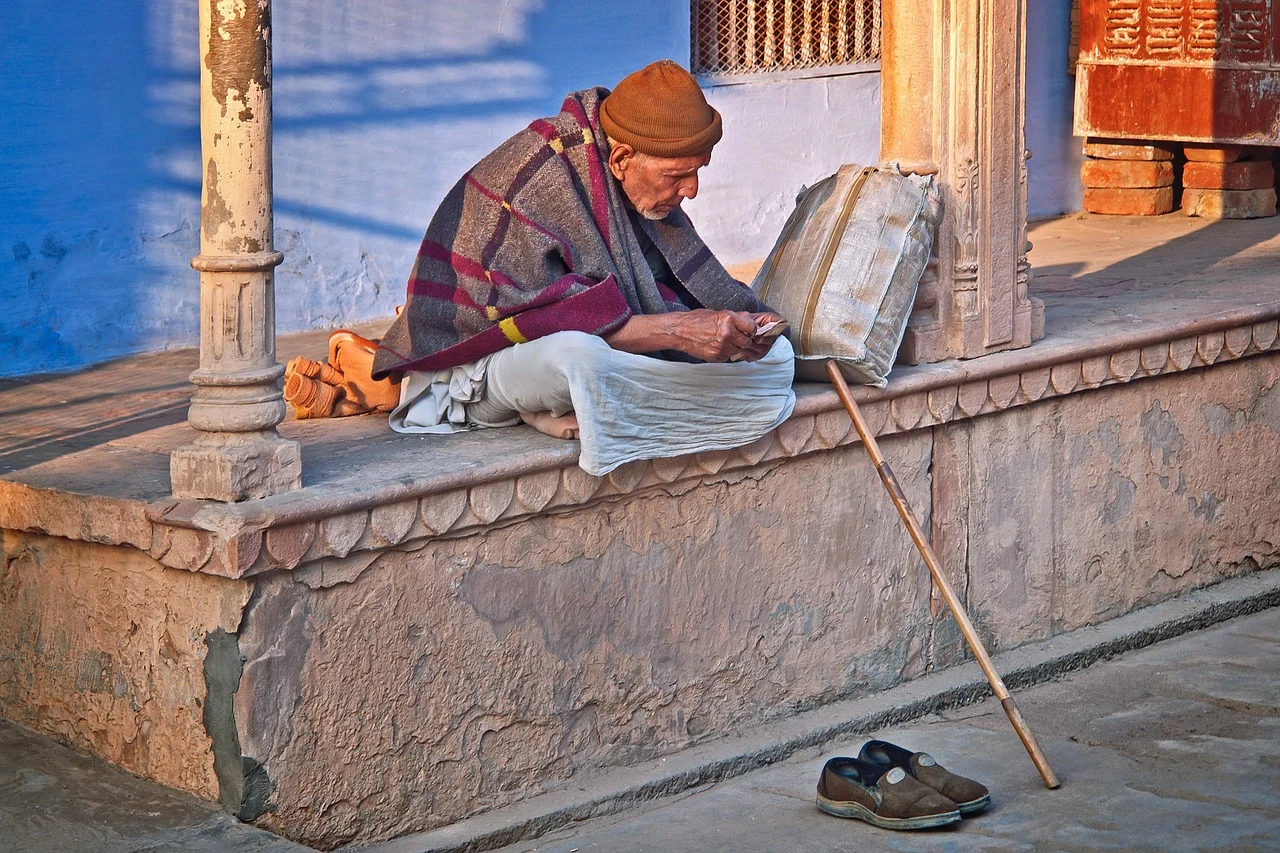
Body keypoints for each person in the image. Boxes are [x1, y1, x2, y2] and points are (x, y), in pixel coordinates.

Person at [287, 60, 796, 476]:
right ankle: (419, 387)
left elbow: (682, 282)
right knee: (579, 357)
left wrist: (739, 326)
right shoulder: (536, 177)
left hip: (553, 345)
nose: (691, 191)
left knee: (775, 364)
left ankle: (540, 407)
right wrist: (680, 331)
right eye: (679, 175)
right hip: (488, 353)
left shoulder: (628, 182)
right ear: (620, 158)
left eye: (698, 172)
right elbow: (531, 323)